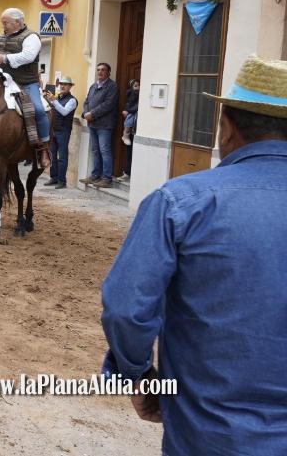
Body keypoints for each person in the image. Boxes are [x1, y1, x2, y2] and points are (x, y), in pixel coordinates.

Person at [100, 55, 287, 456]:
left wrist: (137, 376)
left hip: (209, 435)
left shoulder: (180, 201)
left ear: (227, 127)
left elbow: (126, 309)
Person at [0, 8, 51, 169]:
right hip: (4, 81)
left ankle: (44, 148)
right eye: (2, 23)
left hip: (26, 83)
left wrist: (4, 58)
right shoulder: (0, 37)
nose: (3, 26)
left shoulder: (31, 37)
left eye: (5, 23)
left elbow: (28, 56)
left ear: (17, 22)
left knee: (38, 110)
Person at [80, 62, 118, 188]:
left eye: (103, 70)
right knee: (95, 151)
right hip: (92, 124)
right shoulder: (93, 86)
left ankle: (107, 179)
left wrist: (92, 114)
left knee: (104, 151)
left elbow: (108, 104)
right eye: (98, 70)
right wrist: (85, 113)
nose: (100, 72)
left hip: (105, 125)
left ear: (108, 72)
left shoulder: (112, 86)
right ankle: (95, 176)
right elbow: (87, 101)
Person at [43, 76, 78, 188]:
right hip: (53, 130)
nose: (62, 86)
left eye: (65, 84)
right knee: (52, 155)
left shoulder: (72, 100)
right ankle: (54, 178)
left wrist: (54, 101)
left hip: (64, 131)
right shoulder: (56, 97)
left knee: (62, 157)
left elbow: (64, 112)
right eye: (61, 84)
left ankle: (62, 181)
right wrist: (48, 101)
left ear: (70, 87)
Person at [120, 79, 140, 179]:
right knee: (129, 151)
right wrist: (128, 110)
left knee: (133, 151)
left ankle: (130, 174)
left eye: (139, 85)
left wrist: (128, 110)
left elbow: (136, 107)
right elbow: (132, 105)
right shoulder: (132, 95)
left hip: (138, 128)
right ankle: (127, 173)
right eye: (136, 86)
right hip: (133, 127)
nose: (138, 87)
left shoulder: (139, 95)